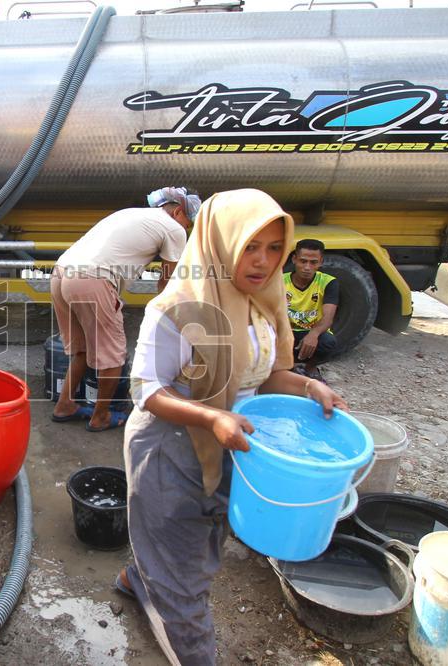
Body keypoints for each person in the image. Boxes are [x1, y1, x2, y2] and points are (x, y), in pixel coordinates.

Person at [116, 190, 348, 665]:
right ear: (221, 243)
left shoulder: (264, 302)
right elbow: (147, 392)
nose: (263, 262)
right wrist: (211, 415)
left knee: (201, 545)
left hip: (230, 443)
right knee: (184, 577)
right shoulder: (179, 307)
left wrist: (309, 388)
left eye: (273, 248)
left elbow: (269, 375)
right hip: (170, 446)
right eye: (250, 247)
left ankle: (138, 578)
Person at [50, 186, 201, 432]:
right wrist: (166, 320)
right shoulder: (174, 229)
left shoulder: (132, 214)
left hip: (61, 273)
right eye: (188, 223)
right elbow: (167, 280)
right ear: (178, 211)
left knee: (81, 349)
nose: (187, 229)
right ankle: (100, 417)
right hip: (91, 279)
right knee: (114, 356)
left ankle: (64, 405)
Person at [284, 239, 339, 380]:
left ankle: (310, 368)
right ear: (294, 259)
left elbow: (328, 318)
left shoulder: (328, 282)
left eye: (313, 262)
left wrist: (313, 334)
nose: (307, 267)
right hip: (286, 332)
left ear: (321, 262)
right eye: (303, 261)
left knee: (328, 342)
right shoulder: (280, 281)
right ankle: (287, 368)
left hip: (310, 331)